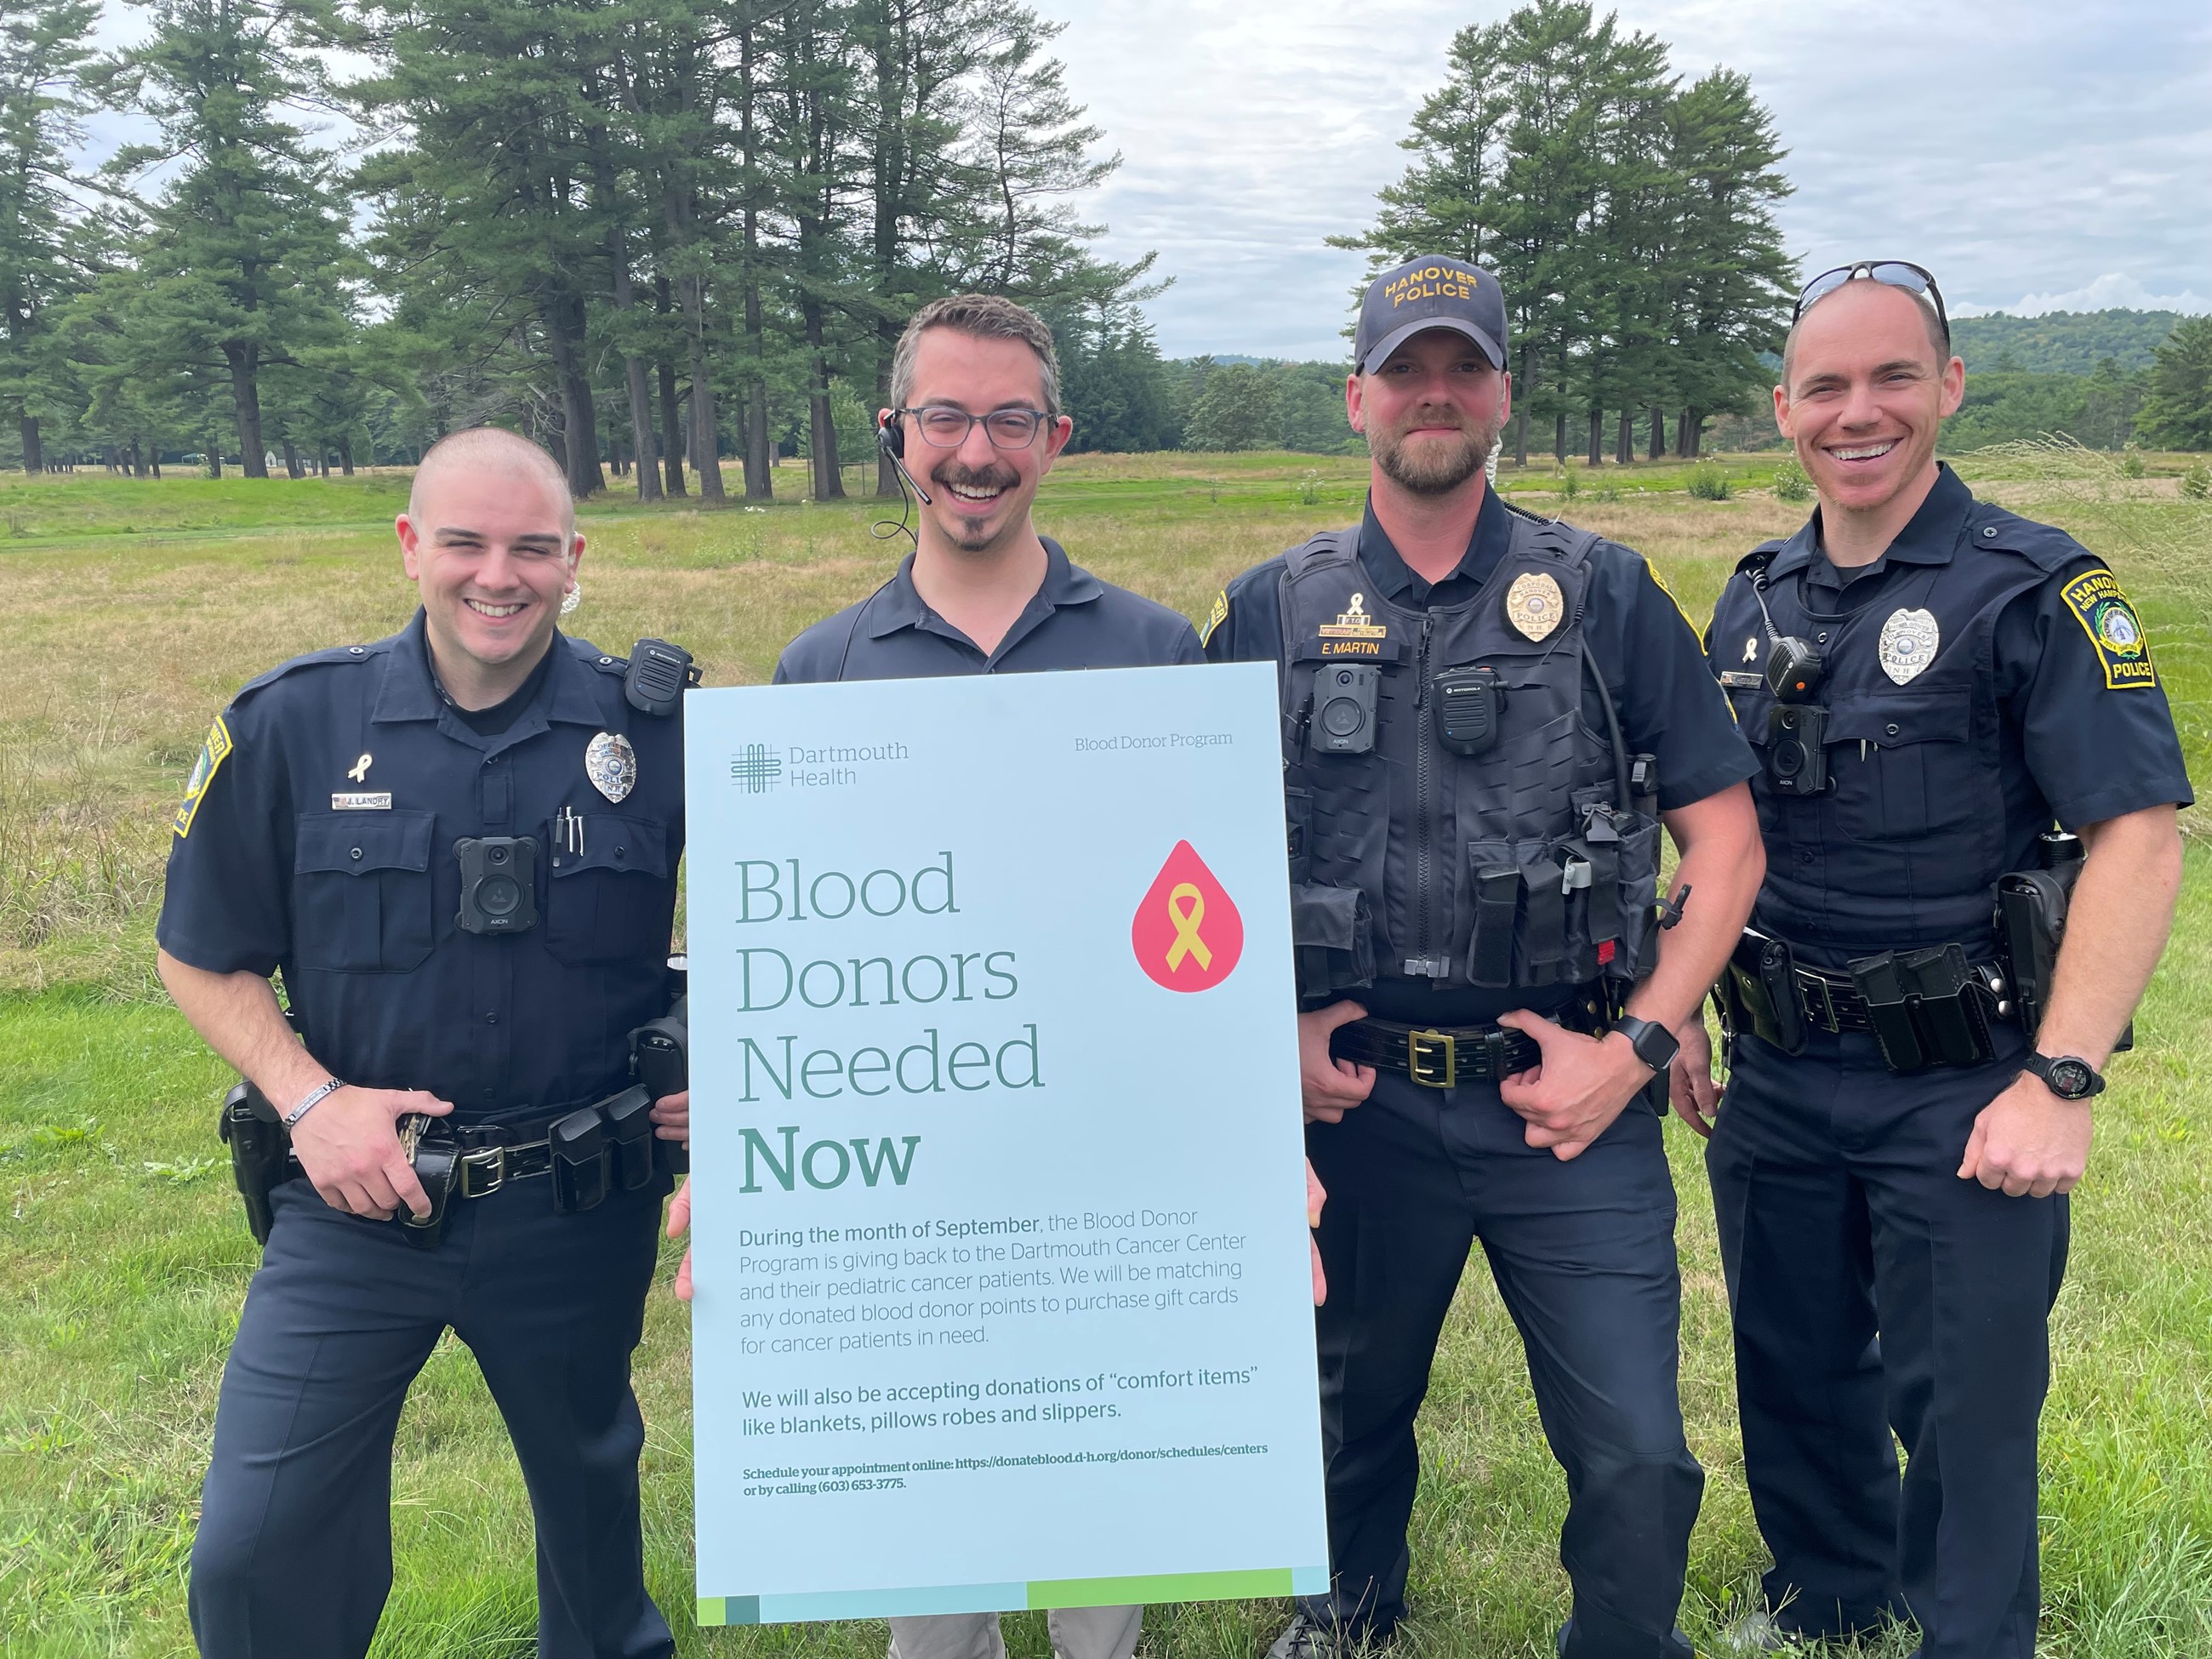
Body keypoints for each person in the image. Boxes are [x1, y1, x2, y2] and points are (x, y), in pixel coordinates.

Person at [1202, 255, 1766, 1659]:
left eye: (1463, 367)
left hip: (1562, 1097)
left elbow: (1730, 843)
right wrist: (1257, 1042)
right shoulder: (1271, 609)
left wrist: (1638, 1044)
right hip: (1359, 1098)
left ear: (1505, 392)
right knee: (1344, 1411)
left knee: (1638, 1451)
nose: (1434, 394)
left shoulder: (1605, 593)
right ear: (1358, 399)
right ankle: (1343, 1618)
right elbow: (1185, 866)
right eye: (1406, 369)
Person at [670, 292, 1200, 1659]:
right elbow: (783, 954)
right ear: (898, 434)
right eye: (948, 417)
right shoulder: (820, 672)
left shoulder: (1155, 655)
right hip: (914, 1187)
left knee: (1097, 1574)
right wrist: (739, 1170)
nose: (978, 449)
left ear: (1057, 436)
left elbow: (1203, 937)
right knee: (937, 1570)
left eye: (1010, 418)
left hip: (1100, 1172)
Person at [1678, 262, 2190, 1658]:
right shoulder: (1755, 596)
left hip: (1961, 1083)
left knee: (1962, 1404)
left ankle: (1968, 1636)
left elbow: (2140, 838)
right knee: (1790, 1367)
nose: (1861, 412)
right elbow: (1727, 832)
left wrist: (2063, 1079)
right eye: (1827, 387)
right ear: (1785, 410)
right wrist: (1680, 1006)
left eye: (1892, 377)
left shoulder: (2037, 587)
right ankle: (1828, 1601)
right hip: (1780, 1067)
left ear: (1949, 386)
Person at [157, 427, 692, 1659]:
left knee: (592, 1522)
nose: (495, 575)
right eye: (464, 541)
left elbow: (776, 927)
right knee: (255, 1546)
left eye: (531, 548)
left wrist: (703, 1057)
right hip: (357, 1200)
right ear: (410, 546)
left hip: (576, 1197)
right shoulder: (294, 722)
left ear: (574, 561)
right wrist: (305, 1097)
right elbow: (198, 949)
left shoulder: (652, 732)